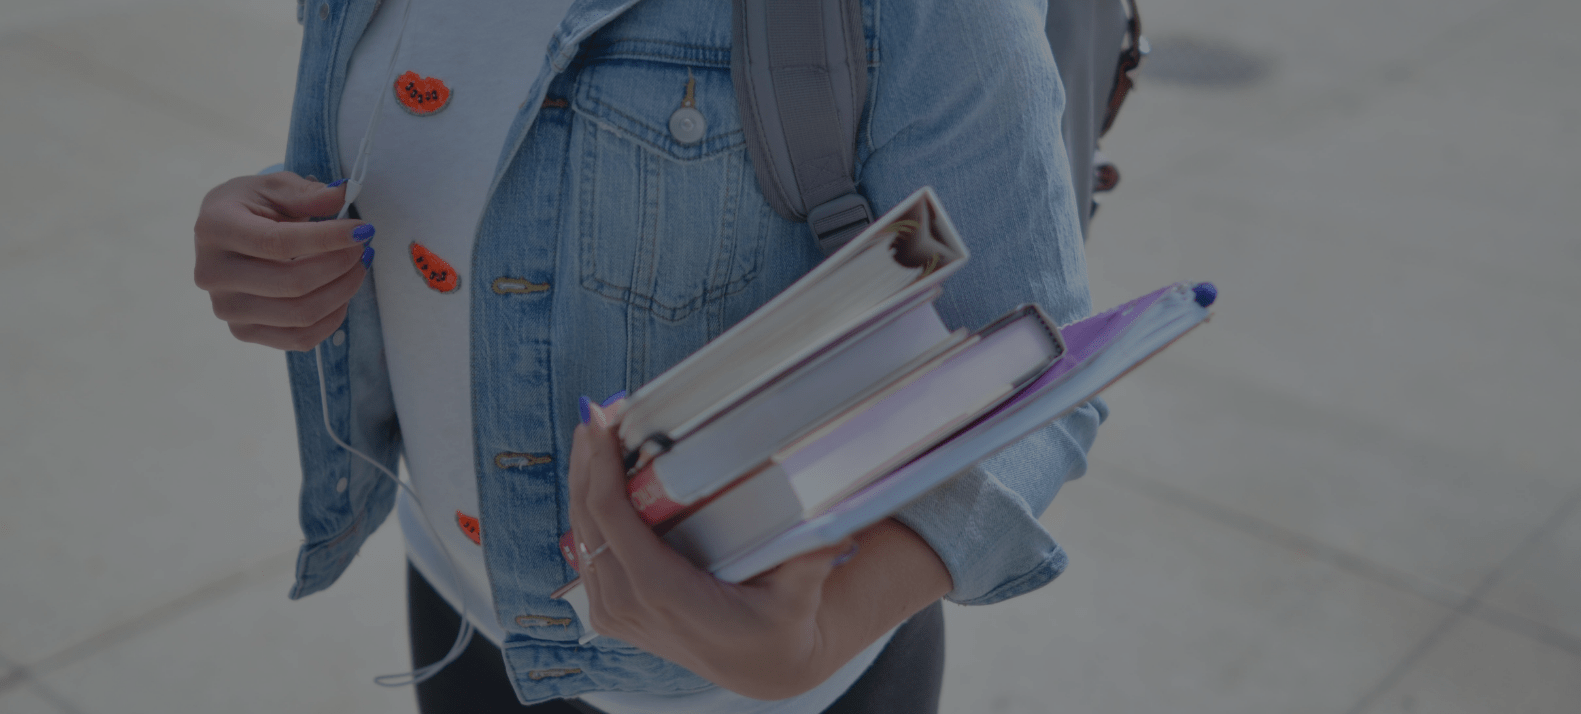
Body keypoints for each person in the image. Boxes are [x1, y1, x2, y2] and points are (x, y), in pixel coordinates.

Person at [191, 0, 1106, 711]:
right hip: (461, 609)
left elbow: (1034, 363)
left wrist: (825, 631)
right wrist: (269, 251)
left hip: (759, 698)